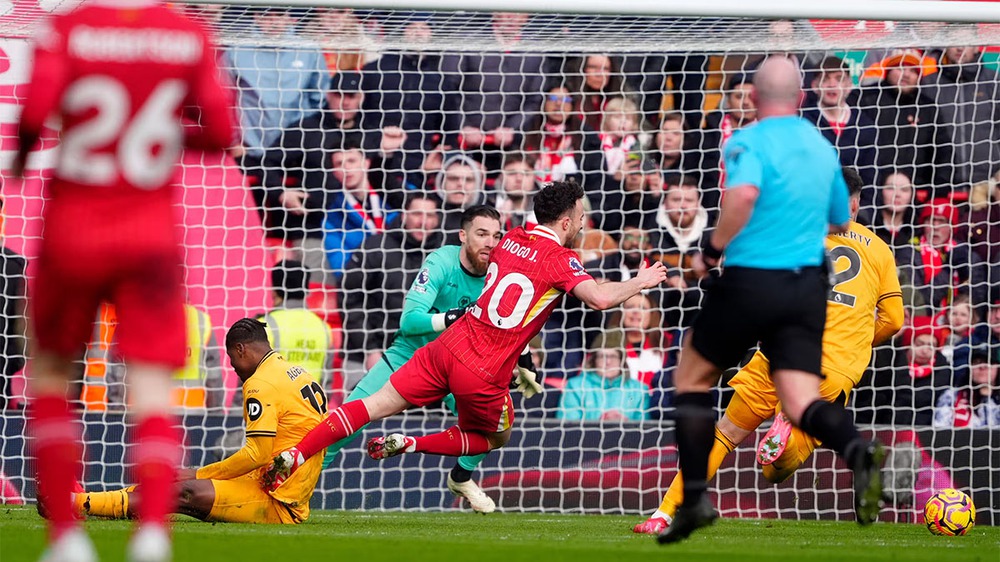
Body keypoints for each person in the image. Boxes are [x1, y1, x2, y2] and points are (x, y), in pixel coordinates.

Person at [263, 180, 668, 491]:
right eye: (580, 217)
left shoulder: (509, 240)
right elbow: (597, 299)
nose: (582, 223)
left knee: (368, 406)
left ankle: (295, 452)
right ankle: (412, 444)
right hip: (483, 369)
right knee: (493, 437)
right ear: (566, 222)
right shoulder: (562, 259)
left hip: (443, 351)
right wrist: (640, 281)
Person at [13, 0, 234, 559]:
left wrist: (18, 161)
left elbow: (35, 114)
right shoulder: (187, 33)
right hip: (150, 236)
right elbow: (222, 129)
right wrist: (163, 136)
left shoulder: (67, 28)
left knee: (50, 373)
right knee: (152, 387)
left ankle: (65, 537)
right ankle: (153, 534)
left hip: (72, 230)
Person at [657, 56, 884, 545]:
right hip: (807, 289)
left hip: (754, 278)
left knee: (692, 377)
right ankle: (856, 449)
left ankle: (693, 497)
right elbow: (842, 219)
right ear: (802, 98)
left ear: (754, 100)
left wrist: (710, 251)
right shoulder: (823, 149)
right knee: (801, 400)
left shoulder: (749, 140)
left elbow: (740, 199)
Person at [636, 167, 904, 534]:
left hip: (780, 352)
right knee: (775, 469)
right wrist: (859, 337)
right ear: (854, 203)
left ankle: (663, 514)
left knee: (724, 433)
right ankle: (786, 434)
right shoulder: (881, 250)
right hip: (834, 369)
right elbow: (893, 319)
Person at [323, 206, 502, 513]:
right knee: (348, 421)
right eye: (482, 234)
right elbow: (409, 322)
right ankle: (295, 483)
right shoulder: (440, 262)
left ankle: (461, 476)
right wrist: (451, 318)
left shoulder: (500, 271)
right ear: (463, 236)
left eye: (496, 236)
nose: (490, 242)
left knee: (494, 427)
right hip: (411, 354)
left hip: (456, 363)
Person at [70, 319, 328, 524]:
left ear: (241, 349)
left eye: (231, 358)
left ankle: (76, 503)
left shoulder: (260, 383)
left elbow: (257, 455)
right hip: (281, 486)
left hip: (277, 500)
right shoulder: (297, 373)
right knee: (173, 481)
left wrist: (199, 472)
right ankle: (85, 498)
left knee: (186, 490)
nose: (233, 366)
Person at [339, 193, 443, 392]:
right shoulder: (375, 247)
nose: (423, 222)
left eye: (430, 216)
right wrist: (369, 349)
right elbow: (349, 299)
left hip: (423, 359)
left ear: (438, 219)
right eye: (417, 214)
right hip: (367, 354)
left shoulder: (444, 255)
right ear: (404, 215)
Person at [557, 335, 649, 422]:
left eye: (613, 356)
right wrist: (599, 424)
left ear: (621, 360)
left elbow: (646, 430)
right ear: (594, 361)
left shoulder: (639, 390)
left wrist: (626, 424)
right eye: (602, 356)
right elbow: (569, 429)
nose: (608, 362)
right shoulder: (575, 387)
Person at [933, 346, 1000, 428]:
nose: (982, 367)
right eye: (977, 362)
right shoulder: (951, 396)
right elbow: (940, 429)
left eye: (988, 363)